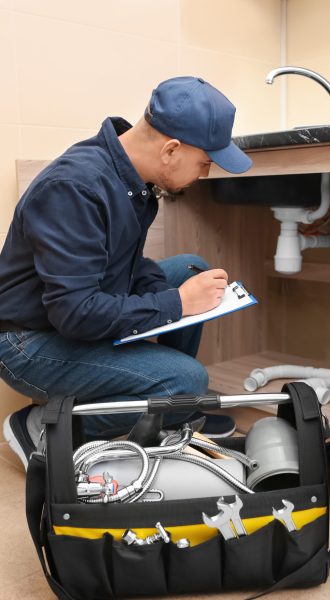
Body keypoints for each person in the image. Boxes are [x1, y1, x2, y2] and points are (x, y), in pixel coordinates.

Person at [0, 76, 253, 469]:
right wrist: (178, 303)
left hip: (67, 317)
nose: (204, 175)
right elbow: (75, 314)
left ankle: (169, 411)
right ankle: (43, 428)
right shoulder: (74, 188)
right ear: (171, 150)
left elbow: (128, 267)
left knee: (190, 269)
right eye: (205, 163)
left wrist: (178, 297)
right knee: (187, 380)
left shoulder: (132, 181)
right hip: (28, 342)